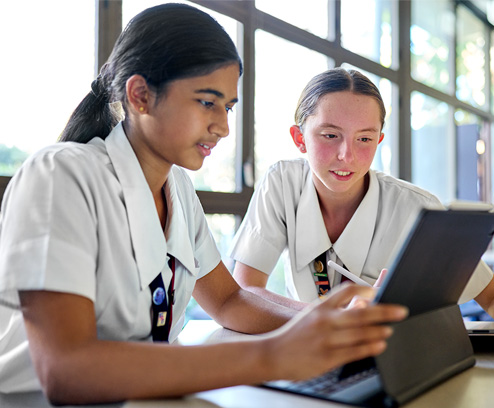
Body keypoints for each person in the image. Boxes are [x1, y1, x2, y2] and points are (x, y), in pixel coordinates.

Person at [0, 4, 408, 405]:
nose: (224, 127)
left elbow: (230, 301)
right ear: (140, 95)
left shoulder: (177, 187)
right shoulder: (61, 175)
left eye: (227, 107)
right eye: (207, 102)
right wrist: (272, 355)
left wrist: (323, 324)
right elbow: (66, 370)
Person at [230, 68, 494, 315]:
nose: (347, 156)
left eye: (364, 139)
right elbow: (245, 289)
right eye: (330, 135)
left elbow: (490, 296)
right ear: (300, 139)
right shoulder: (282, 183)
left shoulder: (417, 208)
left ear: (378, 140)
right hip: (306, 343)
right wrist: (323, 318)